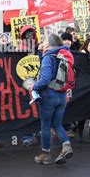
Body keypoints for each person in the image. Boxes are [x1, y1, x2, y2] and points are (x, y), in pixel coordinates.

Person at [30, 34, 74, 165]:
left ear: (49, 44)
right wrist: (40, 52)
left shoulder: (48, 57)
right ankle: (66, 146)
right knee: (58, 124)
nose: (42, 43)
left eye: (44, 41)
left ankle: (45, 155)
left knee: (45, 125)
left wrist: (34, 87)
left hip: (49, 95)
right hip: (62, 95)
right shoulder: (64, 54)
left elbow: (44, 79)